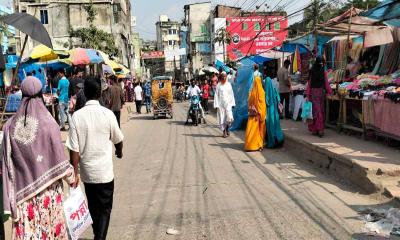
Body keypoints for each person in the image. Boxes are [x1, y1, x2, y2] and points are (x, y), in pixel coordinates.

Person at [2, 76, 76, 240]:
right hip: (48, 197)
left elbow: (7, 164)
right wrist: (72, 178)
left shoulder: (9, 126)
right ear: (41, 94)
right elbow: (60, 159)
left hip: (24, 199)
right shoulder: (50, 124)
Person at [67, 77, 123, 240]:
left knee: (93, 208)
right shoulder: (108, 114)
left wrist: (75, 172)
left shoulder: (77, 116)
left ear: (84, 92)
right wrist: (119, 152)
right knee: (105, 209)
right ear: (99, 93)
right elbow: (118, 139)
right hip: (104, 173)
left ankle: (98, 235)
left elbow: (74, 150)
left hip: (87, 174)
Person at [306, 56, 332, 137]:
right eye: (320, 62)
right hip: (317, 93)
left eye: (322, 63)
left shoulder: (313, 70)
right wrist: (330, 92)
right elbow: (326, 83)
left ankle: (315, 129)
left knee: (316, 111)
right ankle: (319, 129)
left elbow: (309, 84)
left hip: (317, 93)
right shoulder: (321, 72)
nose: (321, 64)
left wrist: (308, 93)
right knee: (318, 111)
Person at [244, 73, 266, 151]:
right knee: (260, 131)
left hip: (252, 115)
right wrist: (261, 114)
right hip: (259, 115)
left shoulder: (252, 92)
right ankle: (259, 145)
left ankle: (250, 146)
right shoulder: (262, 92)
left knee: (252, 131)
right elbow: (263, 105)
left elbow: (249, 103)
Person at [214, 72, 235, 137]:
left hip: (228, 104)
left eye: (225, 76)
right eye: (222, 76)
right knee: (222, 118)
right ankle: (224, 132)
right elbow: (216, 95)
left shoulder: (229, 84)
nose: (224, 78)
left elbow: (231, 94)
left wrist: (233, 103)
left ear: (226, 77)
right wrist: (216, 105)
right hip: (221, 105)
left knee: (230, 118)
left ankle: (227, 128)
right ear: (220, 77)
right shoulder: (218, 85)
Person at [265, 76, 284, 148]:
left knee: (270, 127)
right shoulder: (274, 89)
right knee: (276, 126)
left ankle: (272, 142)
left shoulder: (266, 92)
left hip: (269, 112)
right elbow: (278, 98)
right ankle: (279, 140)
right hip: (275, 112)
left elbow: (267, 101)